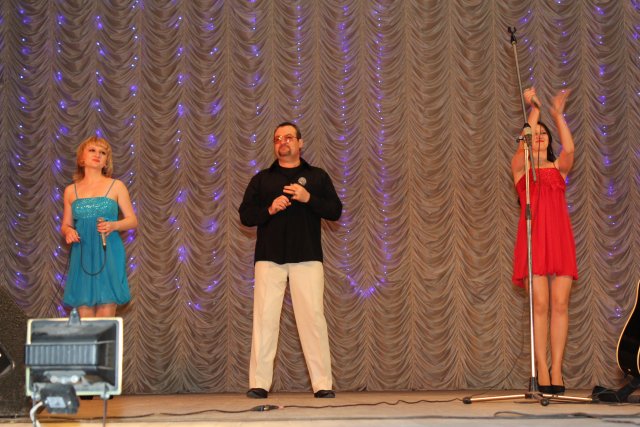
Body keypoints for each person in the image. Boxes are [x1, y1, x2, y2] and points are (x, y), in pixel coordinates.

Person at [239, 122, 342, 399]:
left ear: (300, 142)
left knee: (313, 320)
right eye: (277, 139)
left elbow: (335, 211)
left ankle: (322, 384)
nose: (282, 142)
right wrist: (269, 209)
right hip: (268, 259)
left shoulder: (317, 177)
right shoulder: (262, 179)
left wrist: (308, 198)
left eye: (288, 137)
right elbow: (245, 215)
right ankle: (259, 383)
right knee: (264, 320)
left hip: (307, 257)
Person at [511, 88, 577, 395]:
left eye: (543, 134)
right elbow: (523, 142)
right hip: (533, 238)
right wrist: (534, 109)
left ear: (549, 140)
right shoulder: (520, 168)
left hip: (559, 237)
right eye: (534, 134)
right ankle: (541, 369)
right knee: (539, 304)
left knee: (560, 304)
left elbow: (570, 150)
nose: (538, 137)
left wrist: (557, 115)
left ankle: (557, 369)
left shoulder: (558, 168)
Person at [61, 136, 138, 318]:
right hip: (82, 252)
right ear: (82, 158)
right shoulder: (70, 190)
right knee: (84, 315)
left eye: (102, 153)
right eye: (92, 150)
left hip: (108, 250)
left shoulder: (116, 186)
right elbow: (65, 224)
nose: (97, 155)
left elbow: (132, 220)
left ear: (106, 162)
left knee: (106, 313)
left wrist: (114, 225)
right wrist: (68, 231)